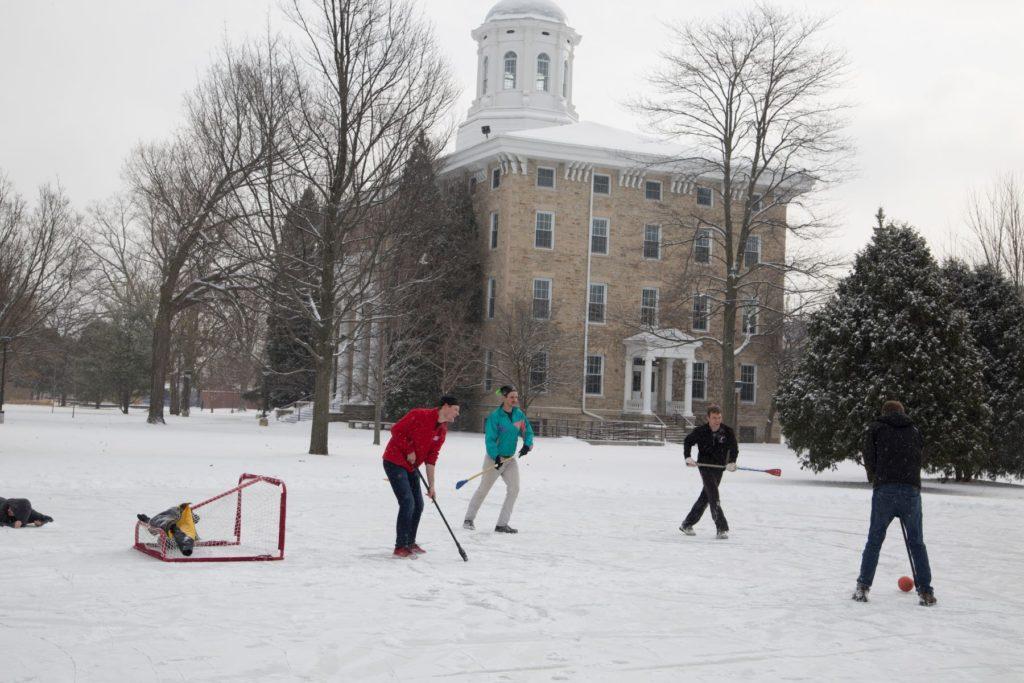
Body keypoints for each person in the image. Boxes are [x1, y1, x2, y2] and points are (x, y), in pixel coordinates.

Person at [852, 400, 936, 606]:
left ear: (884, 413)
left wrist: (876, 477)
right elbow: (919, 456)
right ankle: (926, 592)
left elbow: (869, 456)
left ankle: (863, 587)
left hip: (885, 489)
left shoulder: (876, 429)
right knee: (916, 542)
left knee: (875, 539)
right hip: (910, 490)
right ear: (902, 412)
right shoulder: (914, 430)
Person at [382, 395, 460, 558]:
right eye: (456, 409)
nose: (457, 414)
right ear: (445, 406)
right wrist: (409, 449)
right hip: (394, 461)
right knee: (407, 502)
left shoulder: (442, 430)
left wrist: (431, 485)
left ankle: (410, 541)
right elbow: (396, 430)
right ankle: (400, 546)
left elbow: (431, 458)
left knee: (418, 504)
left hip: (411, 466)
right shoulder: (419, 415)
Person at [464, 386, 534, 534]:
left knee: (514, 489)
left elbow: (527, 431)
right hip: (494, 459)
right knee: (484, 489)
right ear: (504, 398)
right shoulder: (495, 416)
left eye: (516, 397)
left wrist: (527, 445)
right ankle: (468, 519)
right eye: (511, 397)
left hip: (510, 460)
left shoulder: (519, 414)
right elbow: (489, 439)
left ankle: (502, 524)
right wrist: (495, 456)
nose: (515, 400)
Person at [680, 405, 738, 539]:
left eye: (719, 417)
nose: (717, 420)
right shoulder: (701, 431)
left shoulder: (727, 431)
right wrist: (687, 457)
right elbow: (687, 441)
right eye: (714, 418)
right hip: (705, 467)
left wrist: (732, 462)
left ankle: (687, 523)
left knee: (706, 497)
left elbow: (734, 448)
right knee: (713, 495)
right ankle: (721, 527)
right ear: (708, 418)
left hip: (719, 468)